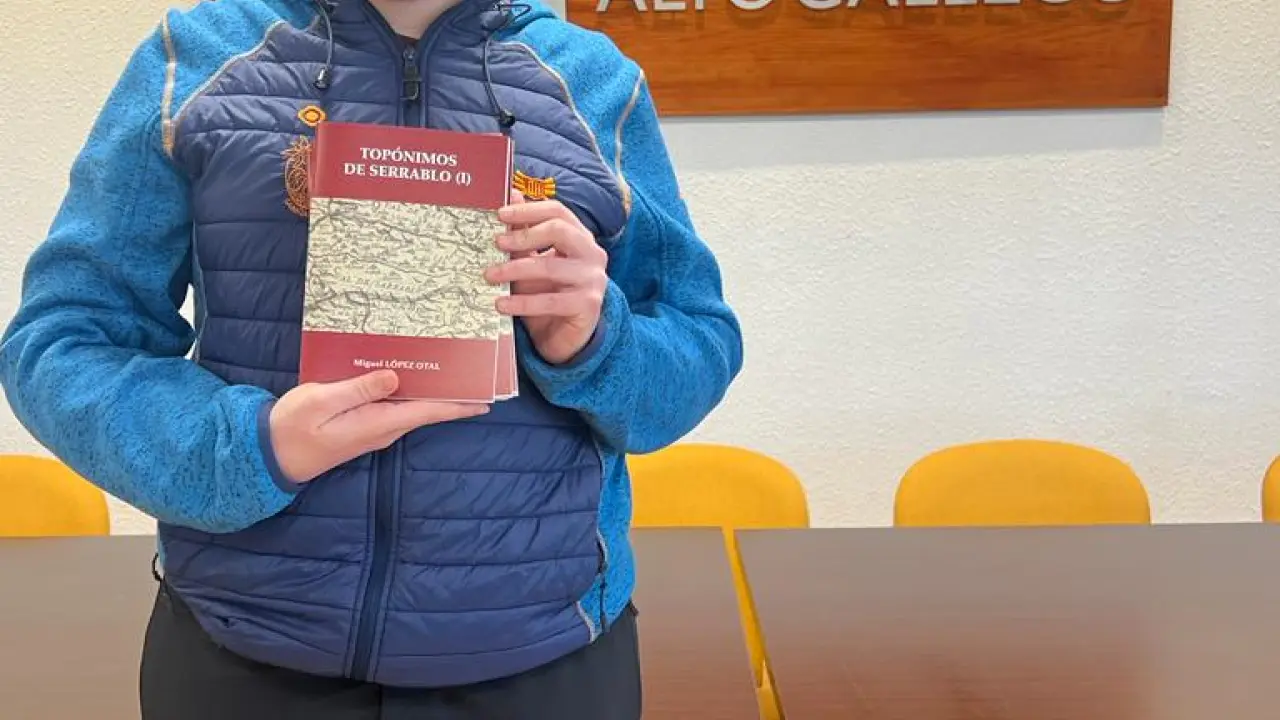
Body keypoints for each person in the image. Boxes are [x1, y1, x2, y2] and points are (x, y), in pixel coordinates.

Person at [0, 0, 743, 717]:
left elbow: (700, 342)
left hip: (545, 661)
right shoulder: (197, 55)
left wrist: (597, 342)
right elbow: (63, 340)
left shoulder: (592, 80)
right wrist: (243, 447)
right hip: (241, 656)